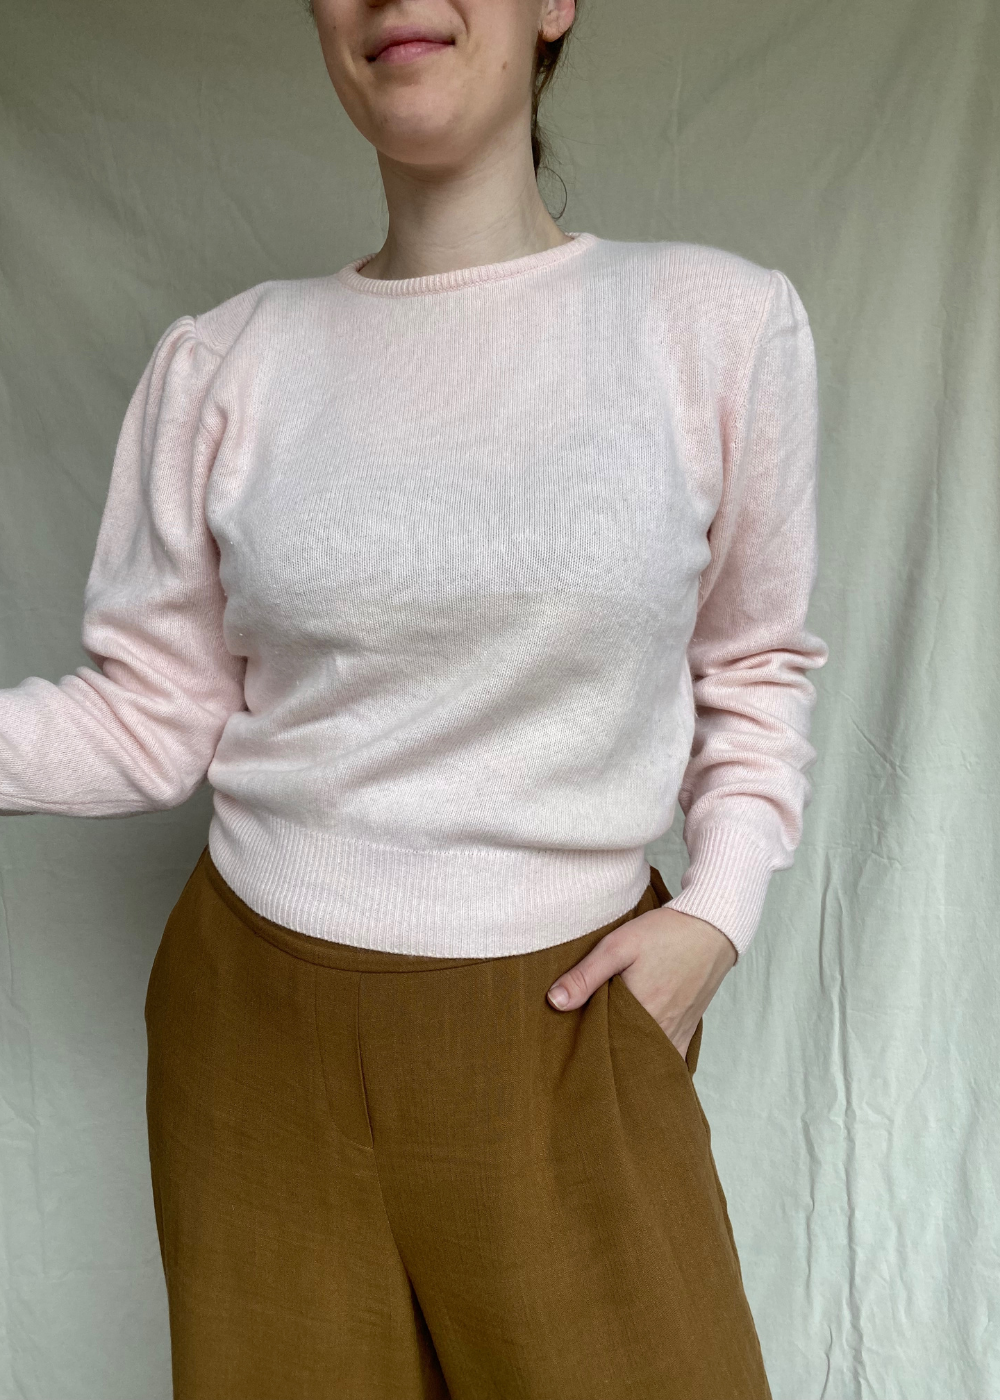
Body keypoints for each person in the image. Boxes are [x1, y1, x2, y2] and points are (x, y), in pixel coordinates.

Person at [0, 0, 829, 1395]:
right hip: (254, 1025)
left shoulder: (718, 327)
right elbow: (149, 718)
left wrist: (718, 913)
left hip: (569, 1021)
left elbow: (753, 665)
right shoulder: (226, 362)